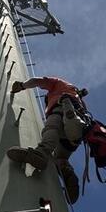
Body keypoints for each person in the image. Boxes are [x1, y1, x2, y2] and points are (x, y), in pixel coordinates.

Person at [7, 76, 88, 204]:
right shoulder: (77, 95)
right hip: (76, 130)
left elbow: (37, 81)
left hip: (62, 110)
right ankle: (68, 172)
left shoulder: (58, 84)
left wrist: (21, 86)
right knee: (61, 158)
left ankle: (40, 154)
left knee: (51, 129)